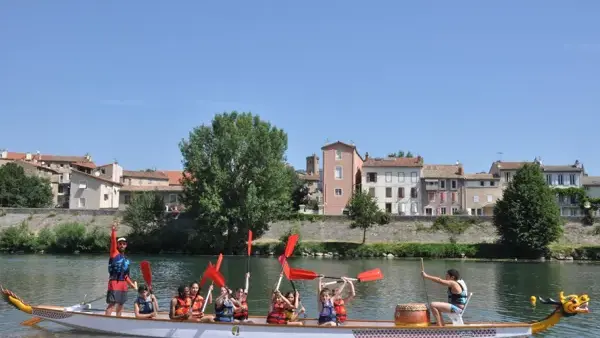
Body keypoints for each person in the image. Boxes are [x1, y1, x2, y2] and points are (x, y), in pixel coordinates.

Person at [105, 221, 137, 317]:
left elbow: (126, 276)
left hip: (123, 284)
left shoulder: (126, 260)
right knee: (112, 303)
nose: (122, 245)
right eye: (120, 243)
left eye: (124, 244)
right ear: (118, 245)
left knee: (121, 304)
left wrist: (132, 285)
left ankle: (118, 319)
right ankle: (106, 321)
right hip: (114, 282)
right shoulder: (114, 253)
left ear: (126, 245)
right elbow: (113, 242)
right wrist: (113, 230)